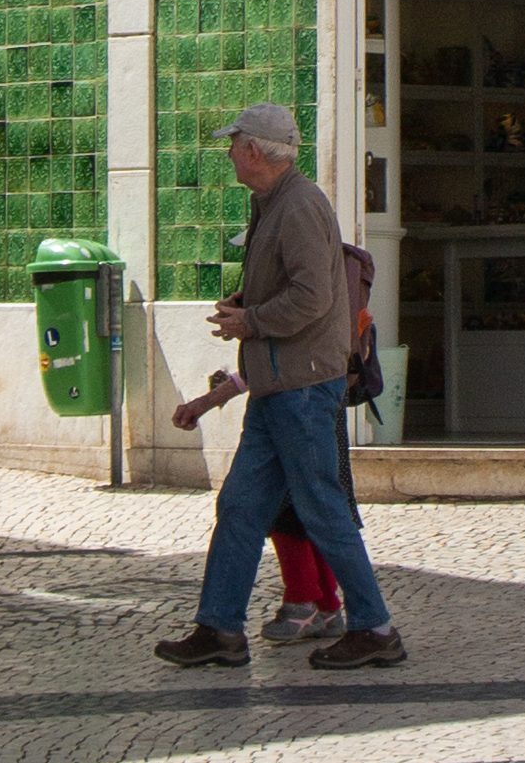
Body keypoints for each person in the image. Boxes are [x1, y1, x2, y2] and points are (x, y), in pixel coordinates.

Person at [157, 106, 404, 673]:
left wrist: (254, 321)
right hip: (278, 388)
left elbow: (314, 298)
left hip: (301, 388)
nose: (229, 153)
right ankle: (218, 629)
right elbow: (297, 288)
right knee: (241, 507)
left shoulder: (297, 205)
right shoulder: (274, 203)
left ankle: (376, 628)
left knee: (322, 508)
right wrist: (251, 306)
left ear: (256, 152)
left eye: (235, 144)